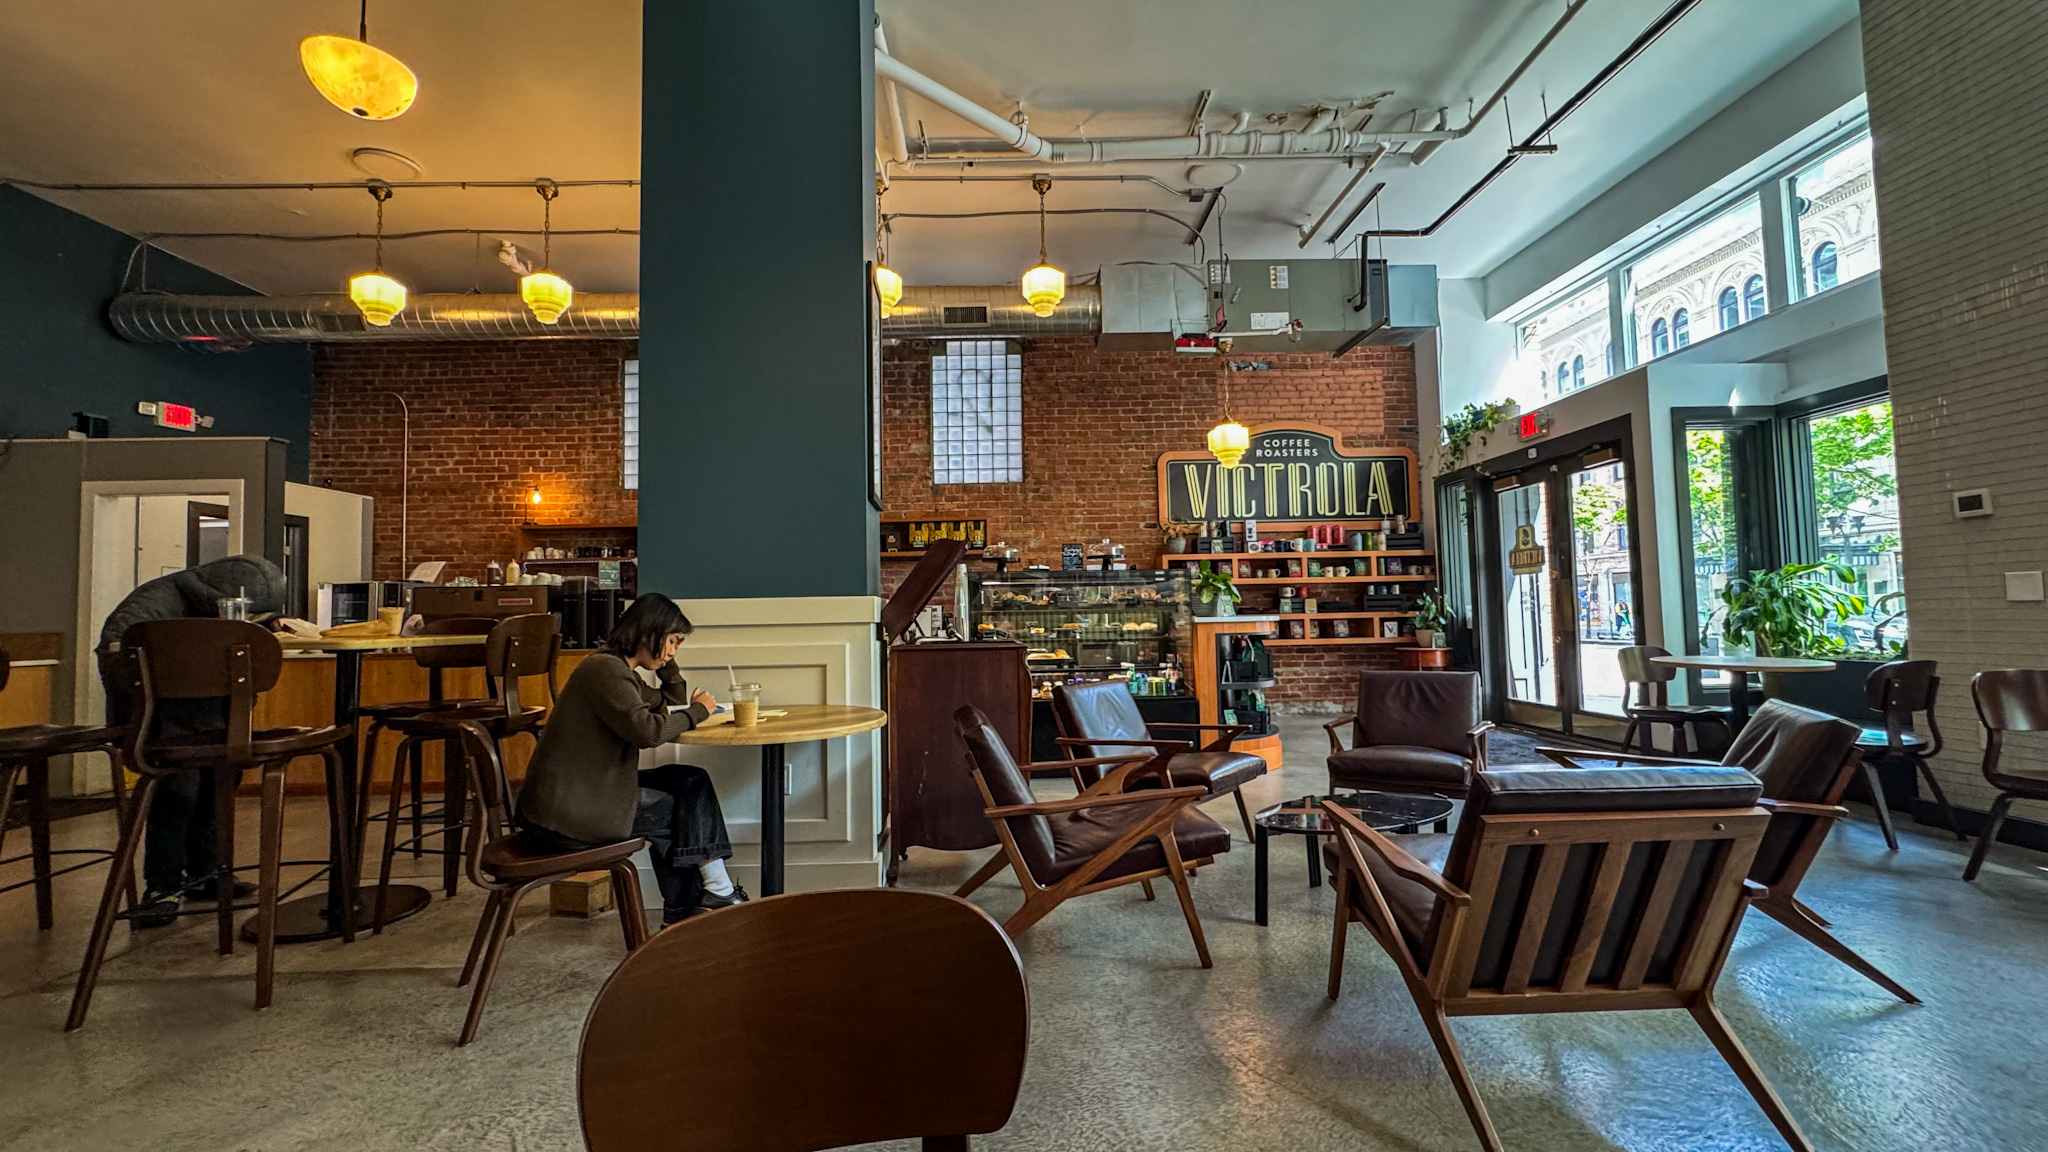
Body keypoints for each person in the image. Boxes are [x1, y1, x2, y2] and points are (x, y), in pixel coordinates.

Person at [515, 593, 745, 924]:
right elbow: (648, 732)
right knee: (678, 812)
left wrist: (667, 661)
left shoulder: (621, 671)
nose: (673, 650)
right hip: (565, 816)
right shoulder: (604, 670)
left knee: (690, 781)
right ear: (650, 630)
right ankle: (692, 912)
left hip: (587, 794)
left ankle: (711, 897)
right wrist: (698, 712)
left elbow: (669, 703)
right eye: (672, 641)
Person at [96, 555, 287, 927]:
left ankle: (207, 874)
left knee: (217, 783)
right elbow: (120, 663)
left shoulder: (181, 599)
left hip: (208, 716)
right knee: (178, 790)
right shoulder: (151, 605)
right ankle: (162, 885)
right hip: (162, 721)